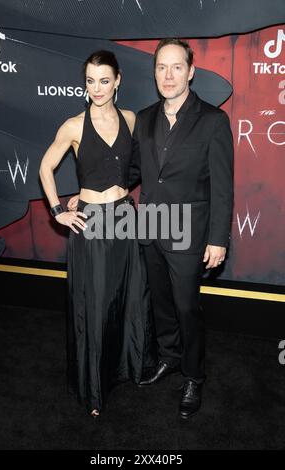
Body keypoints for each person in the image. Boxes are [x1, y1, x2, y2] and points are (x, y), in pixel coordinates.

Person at [39, 50, 157, 418]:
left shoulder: (130, 119)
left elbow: (132, 167)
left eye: (104, 80)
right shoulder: (73, 125)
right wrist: (59, 210)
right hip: (90, 222)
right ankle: (94, 388)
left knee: (130, 297)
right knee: (96, 305)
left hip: (123, 216)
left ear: (118, 80)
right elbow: (45, 166)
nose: (97, 88)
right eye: (90, 81)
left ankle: (128, 369)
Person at [128, 38, 234, 419]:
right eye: (161, 67)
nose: (168, 75)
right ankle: (169, 358)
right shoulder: (143, 118)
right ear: (154, 72)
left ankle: (193, 375)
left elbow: (223, 187)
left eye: (176, 67)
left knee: (188, 308)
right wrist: (93, 191)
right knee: (161, 305)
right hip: (150, 229)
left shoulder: (213, 120)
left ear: (191, 72)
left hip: (189, 234)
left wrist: (218, 239)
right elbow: (134, 173)